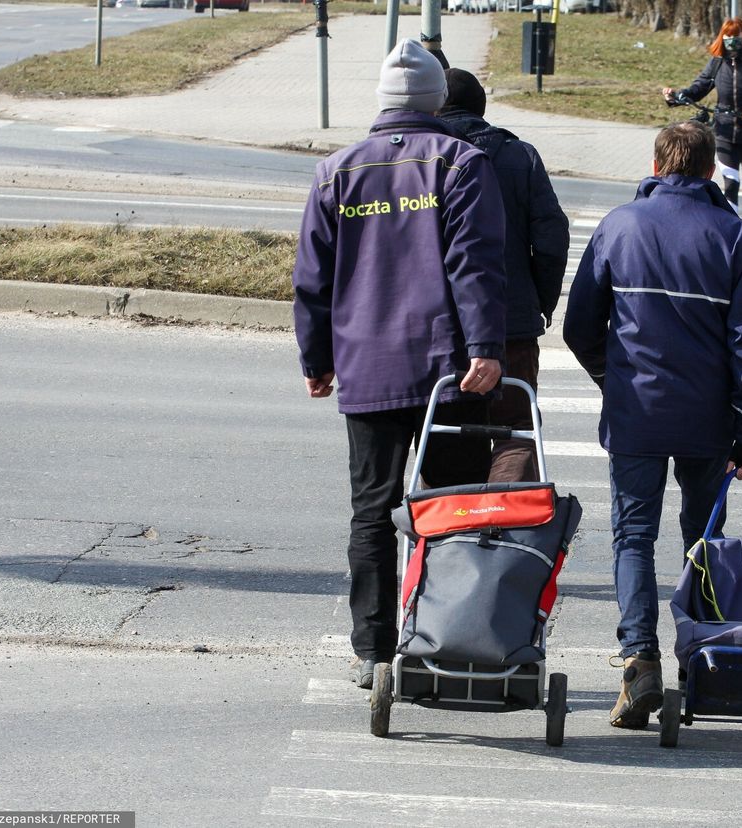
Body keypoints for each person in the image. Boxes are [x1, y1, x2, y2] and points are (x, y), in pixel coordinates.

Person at [291, 40, 507, 689]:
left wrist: (317, 357)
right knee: (454, 510)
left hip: (369, 363)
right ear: (436, 99)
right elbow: (475, 265)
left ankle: (374, 649)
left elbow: (312, 279)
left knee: (372, 510)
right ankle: (448, 637)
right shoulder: (461, 163)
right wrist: (485, 349)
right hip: (449, 369)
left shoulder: (336, 172)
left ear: (384, 101)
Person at [564, 120, 742, 730]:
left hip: (637, 413)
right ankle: (702, 660)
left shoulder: (618, 226)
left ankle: (639, 661)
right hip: (709, 418)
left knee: (634, 536)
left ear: (657, 166)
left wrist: (614, 378)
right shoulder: (734, 237)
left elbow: (579, 325)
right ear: (712, 170)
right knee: (702, 537)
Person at [438, 68, 571, 483]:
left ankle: (449, 533)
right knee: (515, 430)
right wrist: (541, 302)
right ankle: (502, 530)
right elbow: (551, 239)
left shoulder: (424, 158)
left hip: (441, 328)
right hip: (511, 325)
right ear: (482, 109)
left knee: (445, 434)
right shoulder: (519, 155)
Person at [661, 17, 742, 217]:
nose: (732, 39)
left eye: (736, 35)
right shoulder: (717, 63)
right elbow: (698, 88)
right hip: (724, 133)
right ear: (722, 37)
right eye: (728, 36)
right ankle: (732, 231)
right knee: (730, 185)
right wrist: (675, 96)